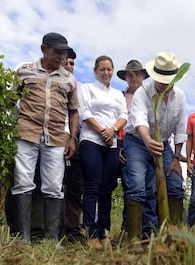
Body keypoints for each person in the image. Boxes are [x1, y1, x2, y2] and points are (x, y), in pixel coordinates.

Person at [10, 32, 79, 244]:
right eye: (56, 51)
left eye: (63, 52)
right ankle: (23, 239)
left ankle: (51, 240)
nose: (60, 56)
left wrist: (72, 138)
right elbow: (10, 101)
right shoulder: (24, 71)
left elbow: (74, 111)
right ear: (43, 49)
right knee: (23, 182)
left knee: (53, 187)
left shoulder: (69, 79)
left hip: (56, 137)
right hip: (26, 132)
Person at [123, 52, 186, 251]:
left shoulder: (180, 96)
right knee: (137, 185)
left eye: (170, 82)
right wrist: (148, 140)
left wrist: (177, 157)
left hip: (165, 145)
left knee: (175, 184)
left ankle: (172, 236)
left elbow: (181, 128)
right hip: (137, 142)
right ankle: (134, 240)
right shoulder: (142, 92)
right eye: (162, 82)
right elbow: (139, 120)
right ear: (155, 78)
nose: (166, 86)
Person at [78, 55, 128, 249]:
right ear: (95, 71)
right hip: (91, 141)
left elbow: (124, 115)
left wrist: (112, 130)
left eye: (109, 69)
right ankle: (91, 234)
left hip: (112, 144)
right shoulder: (87, 89)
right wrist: (102, 131)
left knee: (107, 188)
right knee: (92, 186)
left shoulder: (117, 94)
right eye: (102, 70)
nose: (106, 73)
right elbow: (85, 113)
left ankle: (104, 232)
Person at [116, 59, 148, 233]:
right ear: (126, 77)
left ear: (143, 76)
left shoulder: (150, 96)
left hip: (149, 143)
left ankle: (149, 229)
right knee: (131, 185)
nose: (134, 77)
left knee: (149, 187)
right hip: (125, 143)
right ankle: (128, 228)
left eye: (138, 74)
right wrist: (120, 145)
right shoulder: (119, 97)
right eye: (130, 74)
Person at [62, 48, 86, 242]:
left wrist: (72, 138)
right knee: (52, 186)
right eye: (66, 62)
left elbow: (79, 115)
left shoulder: (78, 87)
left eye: (72, 63)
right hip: (51, 140)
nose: (69, 66)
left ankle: (73, 230)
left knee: (75, 187)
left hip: (74, 142)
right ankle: (50, 229)